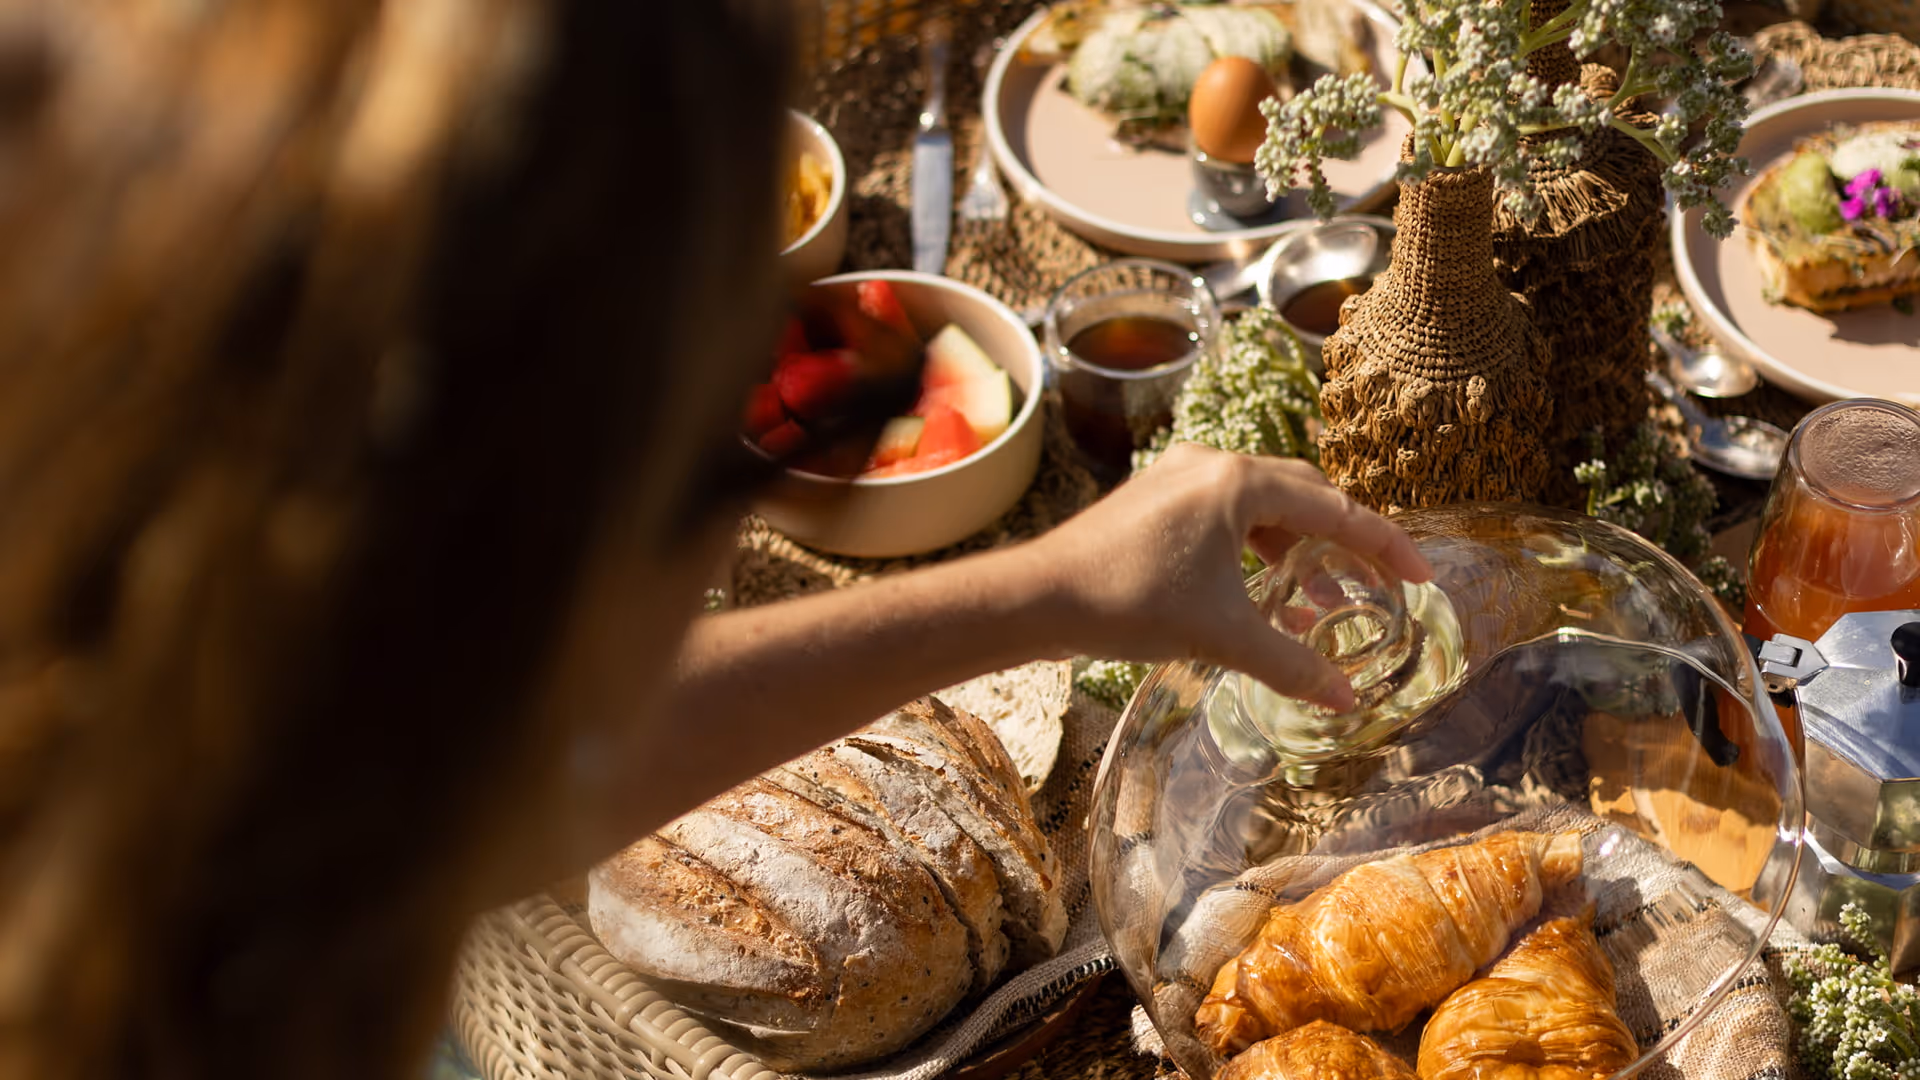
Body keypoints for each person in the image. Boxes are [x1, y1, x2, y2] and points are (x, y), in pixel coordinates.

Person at [0, 2, 1429, 1078]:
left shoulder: (220, 784)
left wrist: (1054, 587)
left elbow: (515, 751)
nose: (766, 501)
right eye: (756, 427)